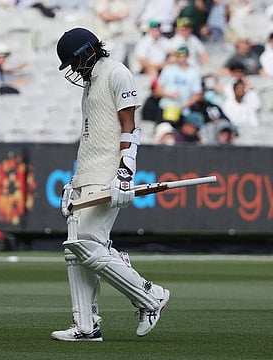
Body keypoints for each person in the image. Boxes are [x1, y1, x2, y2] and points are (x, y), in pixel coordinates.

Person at [51, 27, 170, 342]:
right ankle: (86, 327)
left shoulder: (117, 73)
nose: (75, 70)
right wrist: (73, 182)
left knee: (86, 243)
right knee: (76, 251)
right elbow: (92, 137)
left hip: (108, 175)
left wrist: (125, 173)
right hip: (86, 176)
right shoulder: (89, 84)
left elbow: (130, 128)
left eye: (74, 63)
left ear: (89, 52)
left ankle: (150, 297)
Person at [156, 45, 203, 127]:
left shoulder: (193, 73)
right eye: (178, 56)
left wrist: (184, 105)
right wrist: (169, 95)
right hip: (166, 107)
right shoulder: (168, 69)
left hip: (183, 110)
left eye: (182, 56)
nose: (180, 59)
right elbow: (158, 89)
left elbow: (197, 94)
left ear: (187, 57)